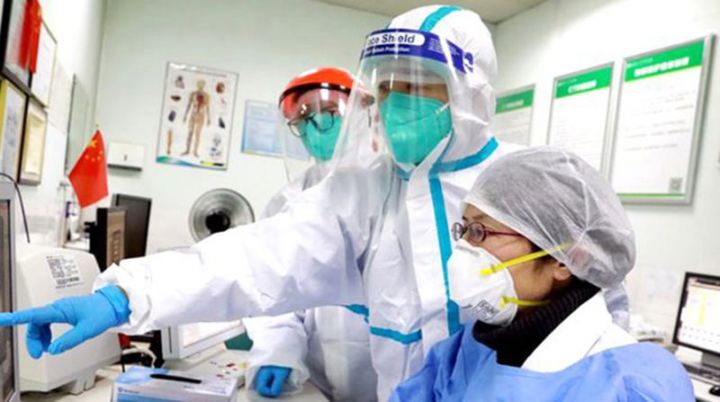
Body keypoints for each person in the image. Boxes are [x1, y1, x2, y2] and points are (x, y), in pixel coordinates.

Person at [0, 6, 582, 400]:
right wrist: (126, 293)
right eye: (385, 87)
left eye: (414, 85)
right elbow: (261, 257)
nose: (393, 102)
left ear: (470, 92)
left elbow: (590, 303)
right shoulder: (369, 191)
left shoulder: (528, 183)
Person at [391, 148, 694, 401]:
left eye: (481, 231)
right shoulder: (466, 350)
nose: (464, 248)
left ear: (566, 260)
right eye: (465, 229)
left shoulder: (634, 385)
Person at [245, 67, 378, 401]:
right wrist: (277, 350)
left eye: (329, 112)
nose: (316, 126)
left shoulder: (395, 190)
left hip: (392, 381)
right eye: (303, 118)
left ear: (362, 112)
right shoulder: (289, 202)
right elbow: (273, 288)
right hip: (319, 382)